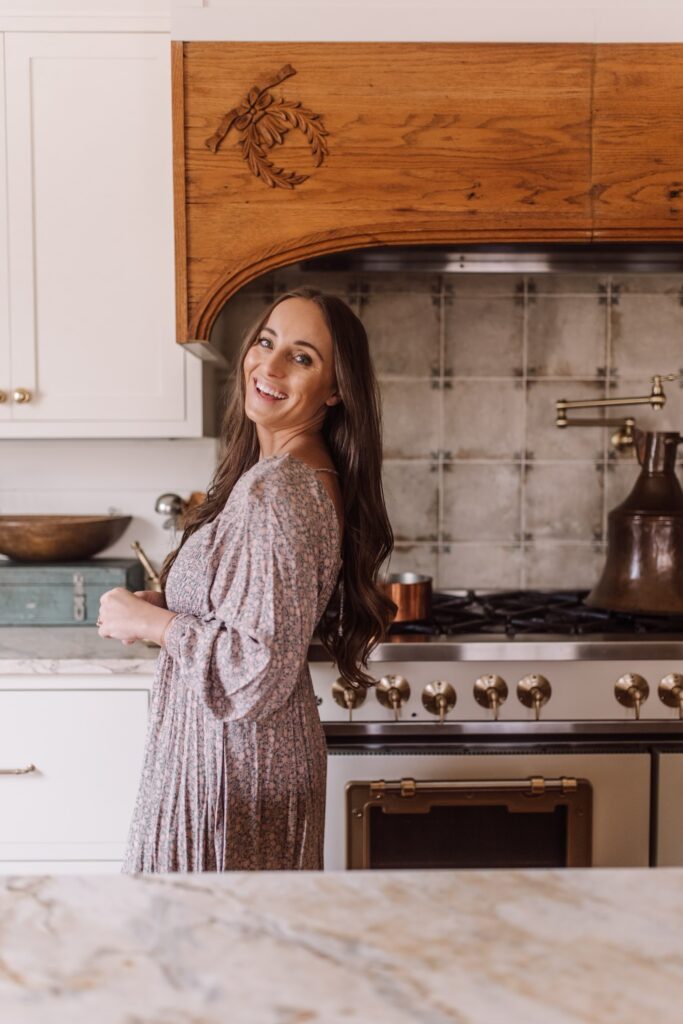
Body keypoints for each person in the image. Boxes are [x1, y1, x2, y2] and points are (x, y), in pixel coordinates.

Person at [96, 286, 396, 871]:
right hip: (238, 763)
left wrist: (154, 623)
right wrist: (172, 602)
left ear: (335, 391)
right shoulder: (283, 474)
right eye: (266, 341)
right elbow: (257, 610)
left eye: (302, 357)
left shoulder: (277, 489)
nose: (271, 364)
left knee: (210, 950)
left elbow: (256, 665)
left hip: (231, 767)